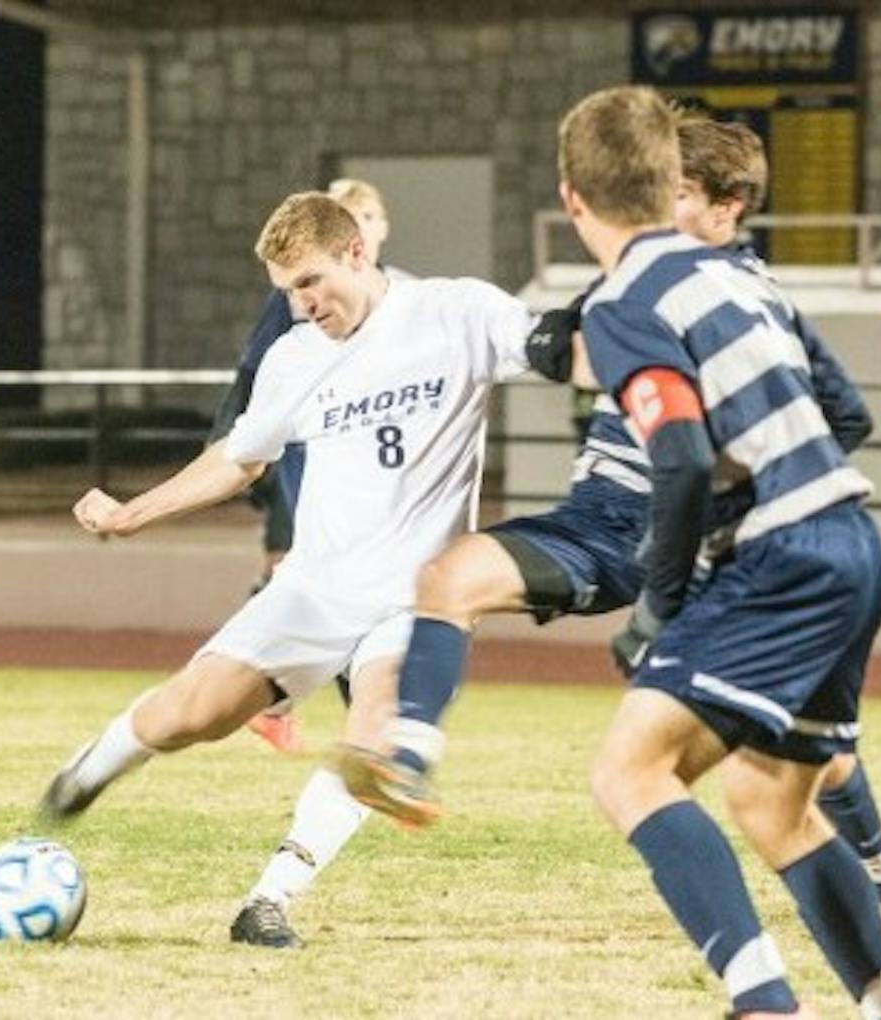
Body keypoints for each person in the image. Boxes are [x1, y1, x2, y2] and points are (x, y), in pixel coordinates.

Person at [337, 117, 881, 946]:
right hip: (599, 523)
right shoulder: (633, 282)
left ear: (728, 209)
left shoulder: (742, 297)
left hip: (698, 545)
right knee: (450, 578)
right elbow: (565, 345)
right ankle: (407, 758)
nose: (660, 208)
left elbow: (837, 419)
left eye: (682, 195)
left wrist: (758, 488)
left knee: (799, 762)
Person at [37, 192, 534, 948]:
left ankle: (268, 901)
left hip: (415, 601)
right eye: (287, 292)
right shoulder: (295, 356)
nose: (301, 306)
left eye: (309, 283)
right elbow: (239, 458)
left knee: (372, 736)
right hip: (312, 590)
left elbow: (550, 345)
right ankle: (88, 770)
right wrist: (134, 512)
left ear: (357, 253)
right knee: (190, 716)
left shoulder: (455, 313)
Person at [568, 85, 881, 1019]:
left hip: (783, 560)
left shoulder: (623, 301)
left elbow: (678, 458)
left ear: (574, 200)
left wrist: (656, 606)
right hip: (856, 544)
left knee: (629, 772)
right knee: (773, 807)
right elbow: (848, 414)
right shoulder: (744, 277)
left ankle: (763, 1002)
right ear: (663, 183)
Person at [214, 179, 409, 756]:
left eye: (371, 214)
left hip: (375, 477)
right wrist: (230, 445)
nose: (365, 224)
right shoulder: (301, 296)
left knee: (346, 591)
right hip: (304, 462)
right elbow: (254, 373)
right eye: (354, 214)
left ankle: (315, 716)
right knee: (301, 576)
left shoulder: (406, 296)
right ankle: (291, 706)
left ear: (380, 228)